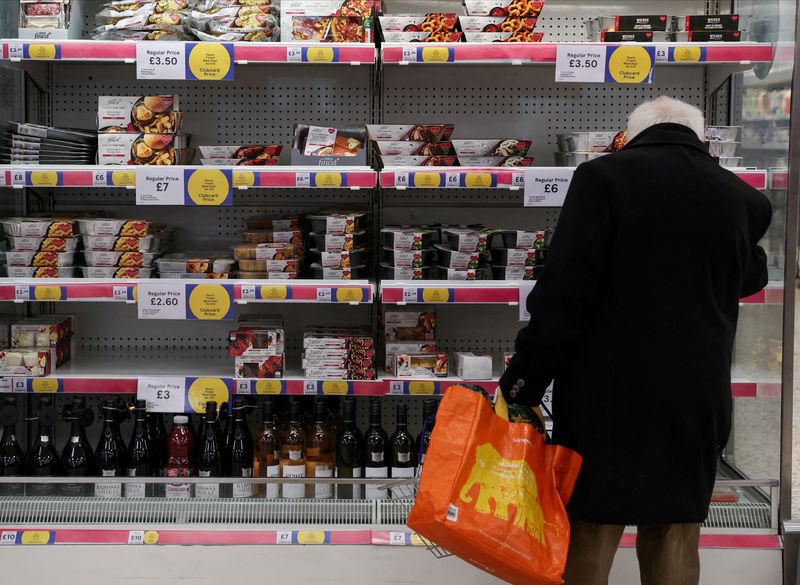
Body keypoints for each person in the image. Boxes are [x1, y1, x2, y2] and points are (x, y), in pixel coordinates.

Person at [499, 96, 772, 585]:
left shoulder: (602, 179)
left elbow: (565, 292)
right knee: (675, 530)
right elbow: (749, 276)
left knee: (592, 527)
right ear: (700, 136)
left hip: (607, 395)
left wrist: (523, 381)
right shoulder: (743, 197)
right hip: (695, 396)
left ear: (631, 135)